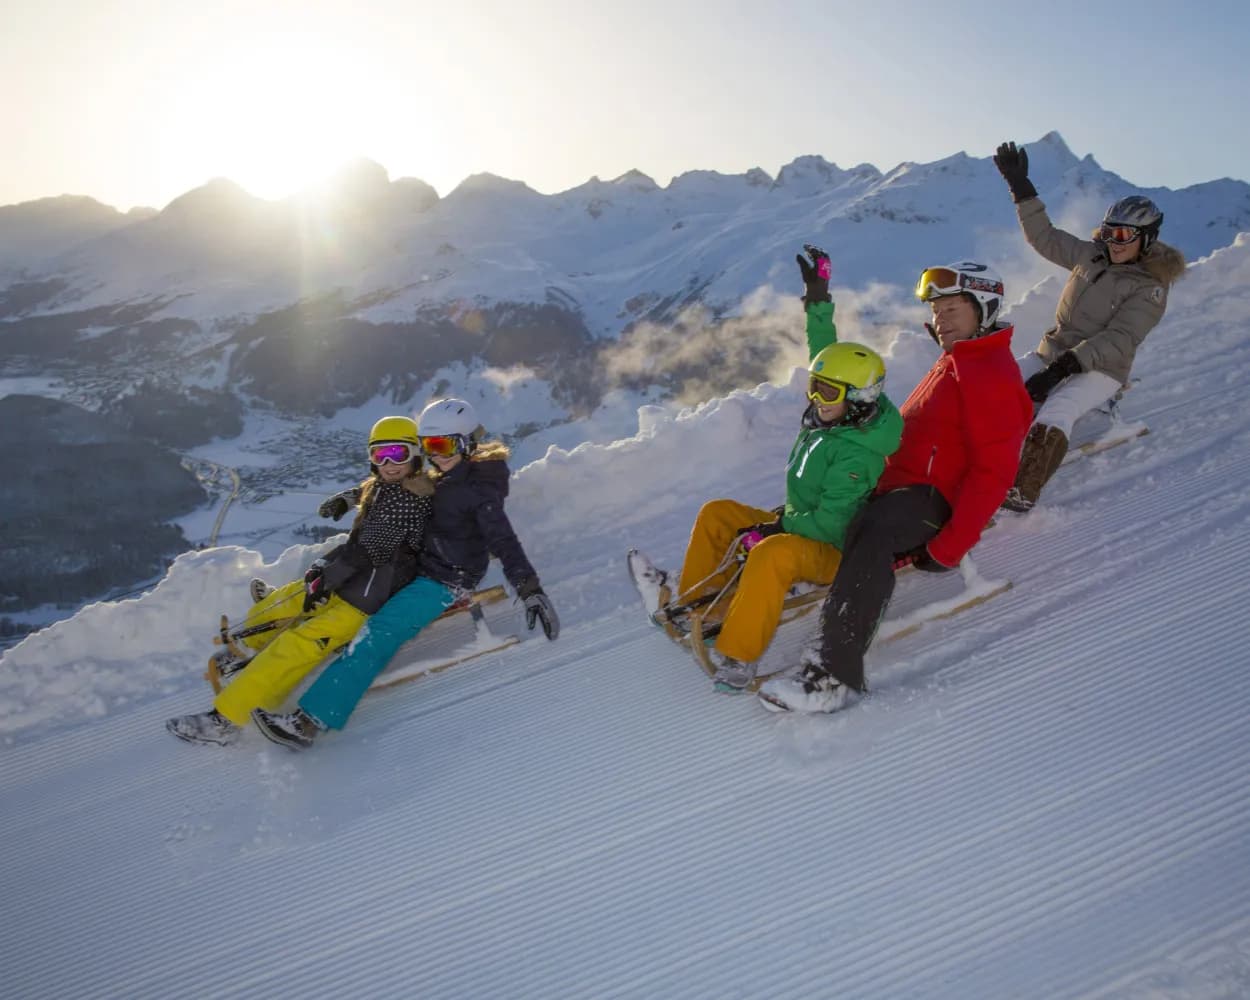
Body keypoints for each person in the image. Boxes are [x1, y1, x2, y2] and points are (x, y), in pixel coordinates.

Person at [758, 261, 1033, 714]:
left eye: (952, 309)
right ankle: (743, 581)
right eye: (936, 310)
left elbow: (995, 471)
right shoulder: (960, 358)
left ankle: (832, 676)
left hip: (929, 500)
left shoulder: (990, 373)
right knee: (814, 503)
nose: (940, 319)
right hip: (898, 485)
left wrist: (949, 547)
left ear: (983, 308)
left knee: (873, 532)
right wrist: (818, 304)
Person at [628, 245, 903, 693]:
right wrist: (818, 297)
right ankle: (704, 607)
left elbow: (830, 525)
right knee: (719, 513)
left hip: (833, 548)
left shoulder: (859, 453)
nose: (816, 399)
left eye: (827, 393)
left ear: (857, 401)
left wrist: (776, 528)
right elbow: (825, 351)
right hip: (801, 524)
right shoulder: (839, 412)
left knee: (769, 553)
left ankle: (739, 657)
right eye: (815, 387)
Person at [250, 398, 559, 750]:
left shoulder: (478, 492)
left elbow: (504, 542)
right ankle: (286, 611)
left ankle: (309, 722)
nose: (436, 456)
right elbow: (399, 484)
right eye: (429, 446)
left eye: (444, 446)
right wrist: (351, 497)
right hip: (417, 563)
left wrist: (529, 588)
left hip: (444, 579)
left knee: (377, 634)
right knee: (352, 576)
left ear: (467, 443)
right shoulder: (446, 474)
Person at [165, 416, 434, 746]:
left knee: (297, 645)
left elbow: (365, 552)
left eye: (398, 454)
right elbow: (376, 489)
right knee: (288, 598)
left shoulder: (409, 501)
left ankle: (225, 721)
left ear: (415, 454)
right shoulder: (393, 484)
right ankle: (247, 648)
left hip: (368, 598)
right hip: (354, 579)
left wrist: (324, 579)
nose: (389, 463)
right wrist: (348, 498)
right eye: (380, 455)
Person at [992, 140, 1186, 512]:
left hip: (1101, 367)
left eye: (1123, 236)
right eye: (1109, 232)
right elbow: (1045, 238)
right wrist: (1021, 188)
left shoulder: (1150, 288)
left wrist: (1063, 369)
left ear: (1146, 238)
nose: (1114, 242)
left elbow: (1120, 338)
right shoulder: (1090, 256)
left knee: (1058, 407)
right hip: (1054, 351)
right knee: (998, 386)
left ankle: (1023, 490)